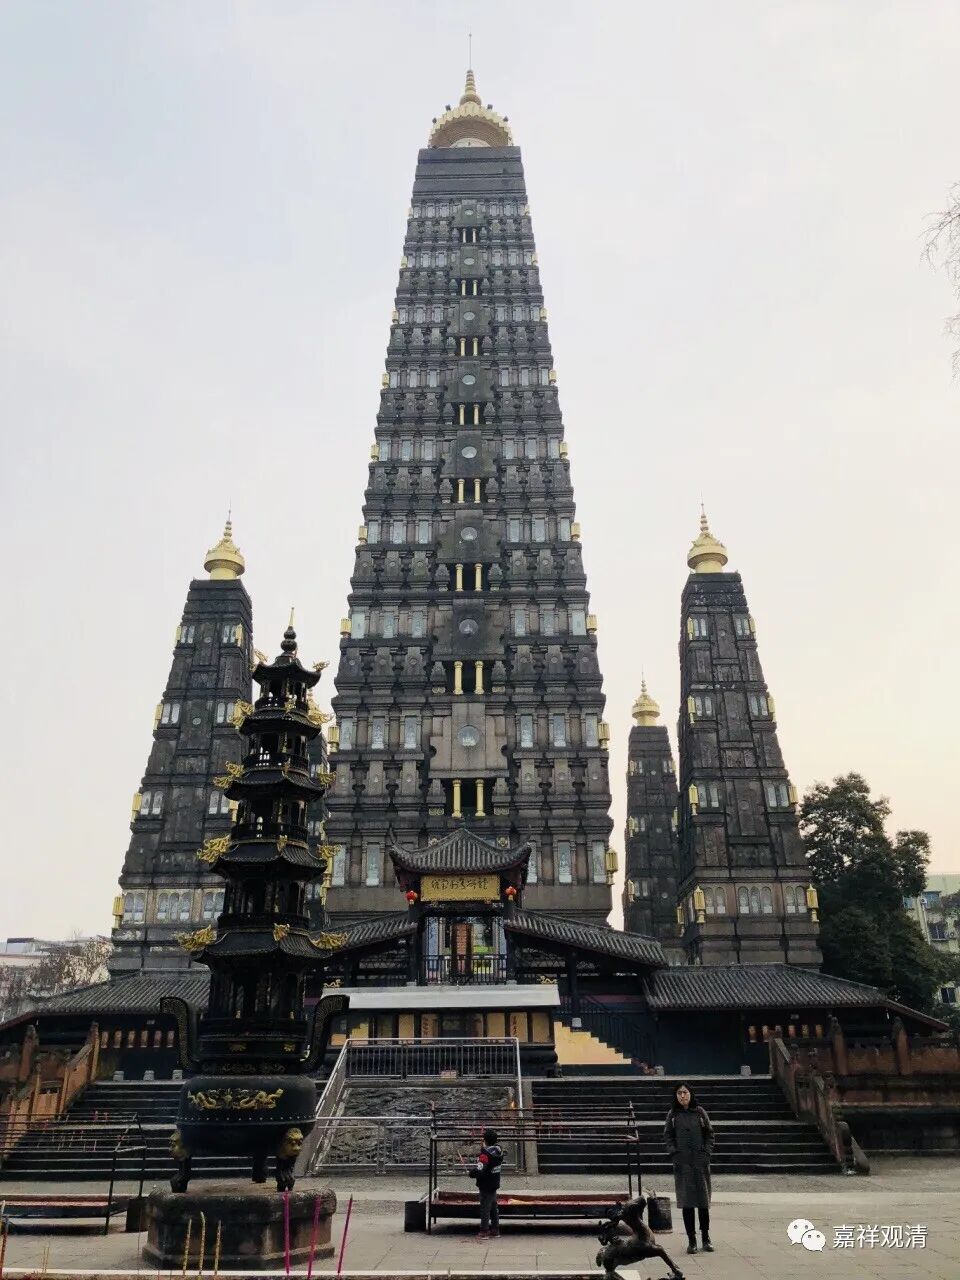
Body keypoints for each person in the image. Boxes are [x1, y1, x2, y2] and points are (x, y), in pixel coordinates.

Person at [664, 1082, 714, 1255]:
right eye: (679, 1093)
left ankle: (706, 1238)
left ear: (690, 1094)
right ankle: (691, 1240)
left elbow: (709, 1134)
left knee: (703, 1203)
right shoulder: (673, 1114)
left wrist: (706, 1153)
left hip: (700, 1162)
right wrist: (674, 1153)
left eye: (685, 1092)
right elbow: (668, 1135)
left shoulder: (700, 1112)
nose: (682, 1096)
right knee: (687, 1203)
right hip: (683, 1164)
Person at [469, 1126, 504, 1239]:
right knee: (493, 1207)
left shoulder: (485, 1155)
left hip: (485, 1184)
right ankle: (495, 1229)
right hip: (494, 1182)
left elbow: (480, 1169)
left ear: (485, 1140)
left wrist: (472, 1173)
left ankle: (484, 1231)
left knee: (485, 1208)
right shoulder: (499, 1152)